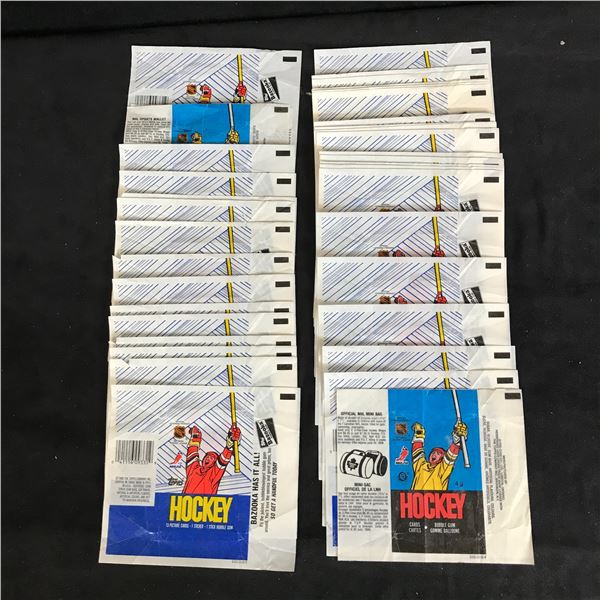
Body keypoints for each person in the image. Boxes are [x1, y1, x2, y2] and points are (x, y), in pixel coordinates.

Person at [182, 424, 241, 495]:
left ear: (214, 463)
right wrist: (196, 436)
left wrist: (229, 445)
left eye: (211, 458)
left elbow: (222, 461)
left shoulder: (213, 475)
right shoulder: (194, 469)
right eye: (207, 456)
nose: (208, 458)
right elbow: (192, 452)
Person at [410, 420, 467, 491]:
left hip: (435, 498)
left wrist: (457, 441)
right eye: (433, 452)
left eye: (438, 453)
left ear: (442, 458)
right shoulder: (421, 466)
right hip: (415, 498)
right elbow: (417, 452)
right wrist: (419, 434)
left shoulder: (442, 470)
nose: (434, 454)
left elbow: (450, 458)